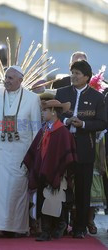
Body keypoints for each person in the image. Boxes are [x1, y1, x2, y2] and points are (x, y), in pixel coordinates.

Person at [0, 65, 41, 236]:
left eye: (11, 78)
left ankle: (15, 228)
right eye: (6, 78)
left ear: (21, 80)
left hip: (20, 153)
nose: (6, 81)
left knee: (16, 190)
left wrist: (35, 154)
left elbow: (36, 128)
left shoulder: (33, 98)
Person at [55, 60, 107, 238]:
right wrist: (65, 121)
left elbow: (102, 122)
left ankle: (80, 227)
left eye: (78, 73)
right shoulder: (61, 93)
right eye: (72, 72)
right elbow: (54, 115)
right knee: (59, 185)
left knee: (83, 189)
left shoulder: (97, 97)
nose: (74, 76)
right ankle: (59, 224)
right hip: (62, 146)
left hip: (85, 147)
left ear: (86, 77)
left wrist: (83, 123)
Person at [23, 99, 76, 241]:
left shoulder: (63, 132)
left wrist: (60, 172)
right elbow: (35, 150)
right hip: (42, 172)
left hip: (57, 173)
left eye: (45, 110)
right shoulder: (44, 129)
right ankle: (47, 230)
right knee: (43, 200)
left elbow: (67, 156)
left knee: (55, 200)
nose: (42, 113)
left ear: (53, 112)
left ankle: (58, 225)